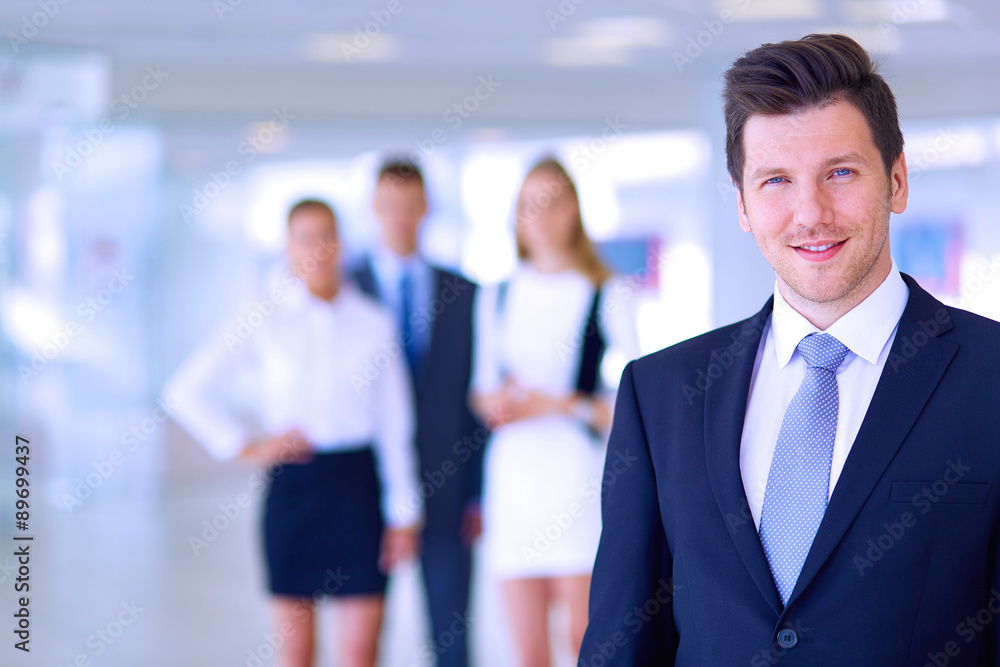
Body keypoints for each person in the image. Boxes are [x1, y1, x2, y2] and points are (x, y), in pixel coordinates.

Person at [580, 33, 1000, 665]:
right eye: (776, 180)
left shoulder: (989, 376)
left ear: (897, 179)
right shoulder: (660, 392)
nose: (811, 212)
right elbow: (622, 642)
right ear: (743, 203)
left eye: (840, 173)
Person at [163, 200, 421, 667]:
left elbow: (395, 424)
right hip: (294, 488)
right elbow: (184, 391)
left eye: (326, 235)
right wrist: (245, 446)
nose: (317, 248)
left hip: (359, 489)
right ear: (287, 247)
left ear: (341, 243)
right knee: (297, 653)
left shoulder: (373, 322)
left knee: (362, 653)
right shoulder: (263, 318)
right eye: (304, 237)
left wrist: (404, 512)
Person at [471, 158, 639, 667]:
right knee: (527, 650)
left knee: (585, 637)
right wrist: (495, 403)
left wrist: (558, 404)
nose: (539, 215)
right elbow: (480, 391)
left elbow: (632, 406)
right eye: (528, 204)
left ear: (574, 211)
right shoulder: (496, 294)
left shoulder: (605, 292)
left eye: (551, 201)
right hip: (513, 476)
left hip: (575, 479)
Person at [348, 160, 483, 667]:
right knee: (362, 635)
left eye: (410, 205)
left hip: (448, 485)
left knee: (452, 632)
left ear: (426, 208)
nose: (400, 217)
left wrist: (477, 493)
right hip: (364, 486)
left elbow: (474, 399)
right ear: (374, 210)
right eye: (389, 206)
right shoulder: (345, 289)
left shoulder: (464, 293)